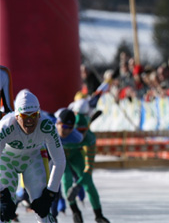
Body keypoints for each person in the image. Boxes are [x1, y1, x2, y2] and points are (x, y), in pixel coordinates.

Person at [0, 90, 66, 223]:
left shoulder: (46, 125)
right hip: (7, 161)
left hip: (32, 160)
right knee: (3, 214)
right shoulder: (6, 126)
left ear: (39, 114)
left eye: (34, 115)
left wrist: (50, 194)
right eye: (25, 116)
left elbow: (59, 160)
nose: (30, 121)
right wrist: (1, 194)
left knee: (43, 211)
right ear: (17, 116)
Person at [54, 109, 110, 223]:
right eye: (78, 130)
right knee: (66, 179)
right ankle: (75, 210)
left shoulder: (89, 138)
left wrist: (78, 185)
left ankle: (98, 214)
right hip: (62, 155)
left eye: (84, 130)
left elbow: (89, 168)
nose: (81, 134)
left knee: (88, 184)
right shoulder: (60, 132)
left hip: (75, 155)